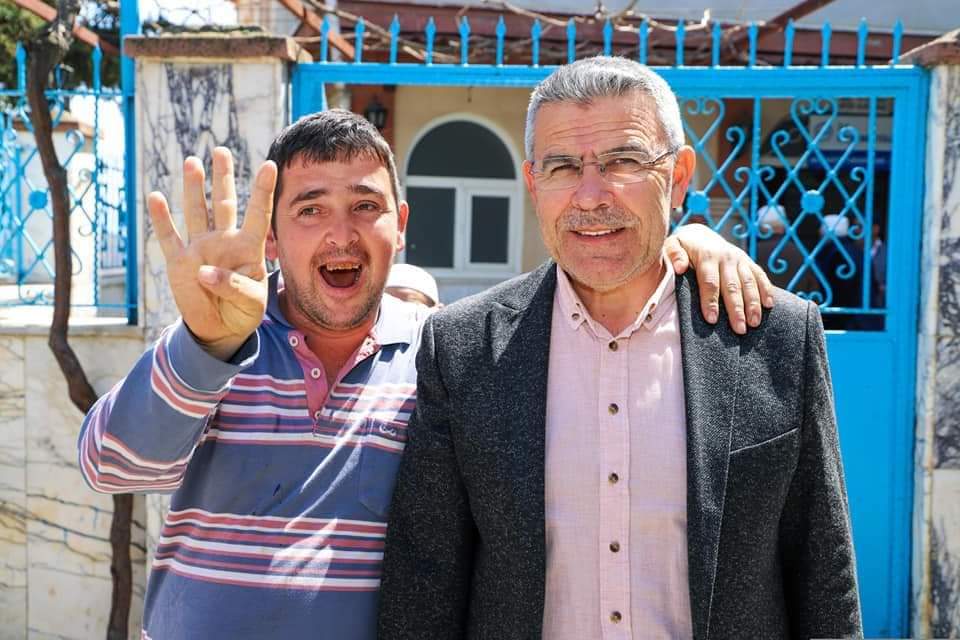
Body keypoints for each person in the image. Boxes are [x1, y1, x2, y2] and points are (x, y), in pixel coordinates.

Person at [78, 110, 773, 639]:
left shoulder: (449, 357)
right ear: (271, 238)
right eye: (310, 209)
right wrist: (203, 344)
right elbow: (112, 466)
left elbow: (581, 308)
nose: (341, 234)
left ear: (401, 223)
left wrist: (682, 246)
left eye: (366, 206)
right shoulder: (217, 340)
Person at [377, 57, 862, 640]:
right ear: (533, 184)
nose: (590, 196)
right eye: (562, 167)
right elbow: (426, 583)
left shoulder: (773, 337)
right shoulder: (462, 349)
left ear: (678, 177)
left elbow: (823, 571)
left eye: (623, 162)